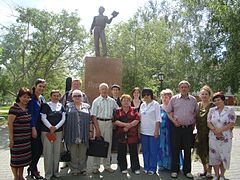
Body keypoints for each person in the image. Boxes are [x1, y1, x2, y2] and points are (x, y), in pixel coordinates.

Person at [167, 80, 198, 179]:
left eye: (185, 87)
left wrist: (193, 125)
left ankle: (187, 171)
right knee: (175, 150)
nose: (184, 88)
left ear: (188, 88)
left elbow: (195, 113)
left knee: (188, 150)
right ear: (179, 88)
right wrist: (174, 121)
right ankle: (174, 170)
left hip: (188, 129)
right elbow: (169, 112)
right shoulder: (174, 99)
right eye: (182, 87)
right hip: (176, 128)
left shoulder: (193, 100)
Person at [91, 83, 119, 174]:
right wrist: (97, 129)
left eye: (105, 89)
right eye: (102, 89)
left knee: (108, 145)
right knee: (97, 145)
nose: (104, 90)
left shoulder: (112, 101)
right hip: (99, 123)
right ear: (99, 90)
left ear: (108, 90)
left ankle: (107, 166)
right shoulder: (96, 101)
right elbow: (93, 116)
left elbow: (118, 111)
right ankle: (96, 166)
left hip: (109, 124)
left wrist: (115, 122)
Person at [207, 92, 236, 180]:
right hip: (213, 136)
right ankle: (216, 175)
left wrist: (221, 130)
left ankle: (222, 175)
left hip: (225, 137)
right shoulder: (212, 110)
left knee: (224, 155)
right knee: (214, 156)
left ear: (223, 100)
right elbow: (208, 122)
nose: (217, 102)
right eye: (215, 101)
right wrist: (215, 131)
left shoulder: (229, 110)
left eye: (218, 100)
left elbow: (232, 123)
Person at [64, 89, 92, 176]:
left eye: (79, 96)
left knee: (83, 151)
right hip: (72, 132)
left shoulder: (87, 106)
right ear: (72, 97)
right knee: (73, 151)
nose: (77, 97)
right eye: (75, 96)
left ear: (82, 97)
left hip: (84, 132)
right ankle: (74, 169)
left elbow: (91, 120)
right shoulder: (68, 106)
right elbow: (64, 119)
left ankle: (83, 168)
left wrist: (91, 131)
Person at [40, 90, 66, 180]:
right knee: (48, 153)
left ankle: (56, 172)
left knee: (56, 153)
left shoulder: (61, 106)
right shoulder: (46, 105)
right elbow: (43, 117)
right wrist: (50, 127)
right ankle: (48, 173)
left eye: (57, 96)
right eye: (54, 95)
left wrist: (56, 127)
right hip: (47, 132)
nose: (56, 97)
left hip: (58, 132)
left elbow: (63, 118)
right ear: (51, 96)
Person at [8, 87, 32, 180]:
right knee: (15, 160)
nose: (26, 99)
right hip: (17, 139)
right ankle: (16, 177)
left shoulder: (26, 108)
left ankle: (21, 176)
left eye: (28, 97)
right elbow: (10, 124)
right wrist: (11, 139)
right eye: (24, 97)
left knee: (22, 160)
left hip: (25, 140)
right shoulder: (14, 108)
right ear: (19, 97)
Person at [113, 94, 140, 174]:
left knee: (133, 151)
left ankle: (135, 168)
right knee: (121, 151)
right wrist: (125, 125)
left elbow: (137, 119)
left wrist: (129, 126)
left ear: (130, 101)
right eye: (124, 100)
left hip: (132, 134)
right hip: (121, 133)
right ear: (121, 102)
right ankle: (123, 167)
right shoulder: (117, 110)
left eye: (128, 100)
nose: (126, 102)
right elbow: (115, 121)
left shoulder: (134, 110)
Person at [139, 88, 161, 175]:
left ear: (151, 95)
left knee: (153, 151)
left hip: (153, 132)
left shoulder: (156, 104)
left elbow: (158, 119)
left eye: (148, 95)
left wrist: (156, 131)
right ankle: (146, 167)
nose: (146, 97)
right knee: (145, 151)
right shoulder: (142, 105)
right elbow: (140, 118)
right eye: (144, 95)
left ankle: (153, 168)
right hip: (143, 131)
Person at [28, 78, 46, 179]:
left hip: (41, 127)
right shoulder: (31, 99)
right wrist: (33, 128)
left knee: (39, 149)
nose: (41, 88)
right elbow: (31, 115)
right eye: (40, 86)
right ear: (35, 86)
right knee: (36, 150)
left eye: (43, 87)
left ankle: (31, 167)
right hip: (34, 127)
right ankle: (34, 170)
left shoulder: (42, 98)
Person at [195, 85, 214, 178]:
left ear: (209, 95)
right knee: (201, 152)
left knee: (209, 152)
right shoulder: (198, 105)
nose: (204, 96)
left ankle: (210, 171)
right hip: (199, 133)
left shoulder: (213, 106)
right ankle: (205, 170)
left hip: (210, 133)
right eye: (202, 94)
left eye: (206, 94)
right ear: (200, 95)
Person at [157, 89, 174, 171]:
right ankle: (161, 164)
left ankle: (170, 165)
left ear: (170, 98)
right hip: (161, 132)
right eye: (163, 97)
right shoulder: (159, 108)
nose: (164, 98)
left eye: (166, 97)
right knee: (161, 147)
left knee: (170, 148)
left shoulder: (173, 108)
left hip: (170, 132)